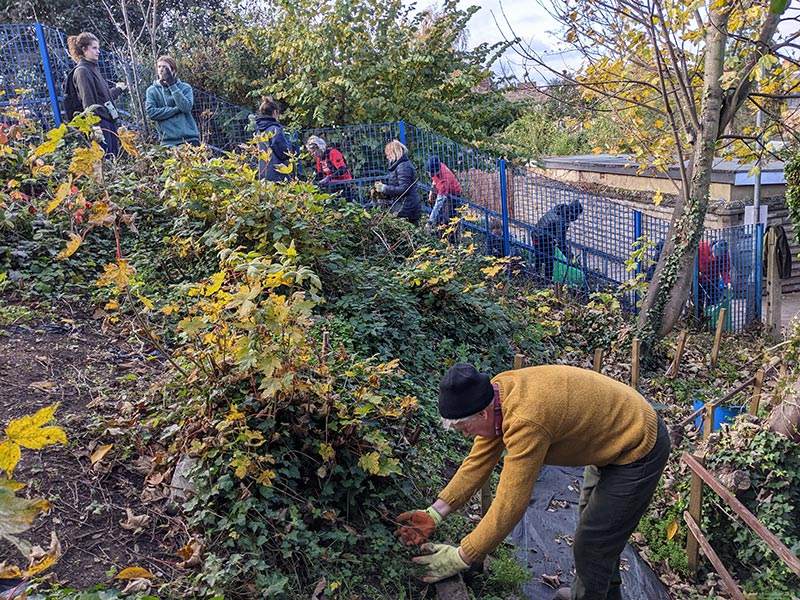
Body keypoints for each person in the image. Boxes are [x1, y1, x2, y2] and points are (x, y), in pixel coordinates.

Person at [396, 363, 670, 600]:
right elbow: (476, 464)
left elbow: (511, 502)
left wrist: (461, 557)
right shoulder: (496, 395)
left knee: (594, 541)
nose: (465, 435)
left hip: (637, 447)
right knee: (593, 527)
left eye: (464, 428)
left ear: (481, 414)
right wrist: (434, 513)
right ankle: (591, 594)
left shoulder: (526, 420)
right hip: (610, 436)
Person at [66, 32, 128, 157]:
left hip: (108, 121)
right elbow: (88, 101)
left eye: (98, 48)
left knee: (114, 158)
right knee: (107, 159)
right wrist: (95, 127)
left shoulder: (92, 69)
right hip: (100, 124)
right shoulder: (82, 71)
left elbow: (103, 97)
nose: (98, 51)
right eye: (94, 48)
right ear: (84, 50)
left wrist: (118, 89)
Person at [145, 55, 200, 147]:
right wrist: (176, 109)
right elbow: (152, 113)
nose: (161, 69)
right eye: (159, 67)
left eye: (165, 67)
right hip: (168, 142)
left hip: (190, 139)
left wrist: (172, 85)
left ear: (173, 70)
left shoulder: (185, 87)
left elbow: (186, 107)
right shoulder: (152, 90)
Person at [531, 201, 583, 280]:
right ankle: (547, 280)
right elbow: (560, 241)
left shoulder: (560, 209)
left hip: (536, 233)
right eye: (577, 214)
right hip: (542, 237)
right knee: (549, 260)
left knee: (540, 257)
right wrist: (569, 256)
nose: (577, 217)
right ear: (573, 213)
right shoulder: (562, 220)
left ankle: (536, 275)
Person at [374, 140, 421, 225]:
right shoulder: (399, 166)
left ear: (394, 153)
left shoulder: (403, 167)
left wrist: (384, 188)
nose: (387, 157)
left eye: (388, 154)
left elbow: (403, 189)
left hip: (406, 208)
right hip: (404, 206)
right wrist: (382, 192)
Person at [254, 97, 294, 182]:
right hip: (277, 174)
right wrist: (290, 143)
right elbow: (283, 153)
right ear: (275, 112)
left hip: (263, 173)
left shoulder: (259, 131)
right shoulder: (275, 129)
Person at [305, 135, 355, 200]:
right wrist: (311, 181)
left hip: (343, 182)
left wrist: (329, 177)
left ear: (319, 148)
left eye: (313, 151)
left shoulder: (333, 153)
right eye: (311, 152)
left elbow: (342, 170)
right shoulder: (319, 158)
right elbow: (320, 173)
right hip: (332, 185)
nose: (312, 154)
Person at [423, 156, 461, 233]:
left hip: (454, 196)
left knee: (449, 219)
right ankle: (438, 232)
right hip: (443, 191)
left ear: (436, 171)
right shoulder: (438, 165)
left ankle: (450, 241)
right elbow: (435, 180)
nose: (429, 174)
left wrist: (429, 222)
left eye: (431, 173)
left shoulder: (443, 182)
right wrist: (432, 190)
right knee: (439, 216)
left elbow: (438, 204)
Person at [697, 239, 731, 318]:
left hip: (713, 279)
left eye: (719, 257)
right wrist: (696, 271)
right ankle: (698, 319)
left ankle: (710, 319)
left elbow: (725, 269)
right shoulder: (701, 247)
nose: (715, 258)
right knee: (698, 301)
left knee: (713, 302)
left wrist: (728, 282)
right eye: (715, 255)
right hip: (698, 279)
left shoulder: (725, 254)